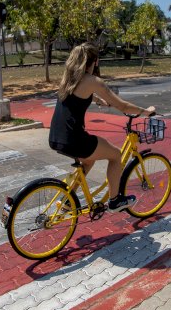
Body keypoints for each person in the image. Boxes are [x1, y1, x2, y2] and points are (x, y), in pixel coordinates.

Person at [49, 42, 156, 212]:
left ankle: (68, 200)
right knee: (115, 155)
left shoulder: (68, 79)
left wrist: (99, 101)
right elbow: (124, 106)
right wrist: (146, 111)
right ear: (95, 61)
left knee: (88, 161)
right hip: (75, 139)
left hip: (56, 137)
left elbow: (78, 97)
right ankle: (115, 201)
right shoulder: (93, 81)